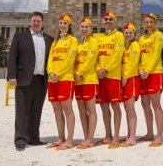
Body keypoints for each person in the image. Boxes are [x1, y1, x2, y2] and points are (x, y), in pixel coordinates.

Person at [7, 11, 54, 151]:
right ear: (30, 22)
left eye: (38, 21)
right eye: (33, 20)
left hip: (41, 80)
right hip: (23, 79)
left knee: (36, 110)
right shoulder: (20, 36)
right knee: (22, 110)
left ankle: (34, 137)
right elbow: (12, 56)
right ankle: (21, 139)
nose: (36, 23)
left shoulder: (49, 39)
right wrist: (12, 76)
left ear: (42, 23)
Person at [46, 15, 78, 150]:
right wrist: (51, 73)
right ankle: (61, 137)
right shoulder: (55, 42)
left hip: (65, 78)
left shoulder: (73, 40)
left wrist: (58, 74)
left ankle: (70, 140)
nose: (62, 25)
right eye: (61, 23)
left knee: (67, 108)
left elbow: (70, 60)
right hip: (52, 79)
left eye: (65, 23)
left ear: (69, 25)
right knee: (56, 109)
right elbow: (50, 60)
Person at [96, 12, 125, 149]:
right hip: (101, 78)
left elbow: (118, 55)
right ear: (102, 22)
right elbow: (95, 56)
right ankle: (108, 135)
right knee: (104, 107)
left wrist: (106, 69)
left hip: (113, 76)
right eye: (106, 19)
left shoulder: (119, 36)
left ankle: (116, 137)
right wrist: (98, 69)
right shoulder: (99, 38)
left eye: (110, 19)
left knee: (115, 106)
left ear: (115, 22)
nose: (108, 21)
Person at [138, 12, 163, 147]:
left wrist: (148, 70)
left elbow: (156, 55)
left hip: (154, 73)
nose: (149, 24)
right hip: (143, 74)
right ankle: (149, 133)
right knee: (144, 104)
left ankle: (159, 136)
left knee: (156, 105)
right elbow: (138, 57)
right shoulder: (142, 38)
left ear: (155, 23)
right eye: (146, 22)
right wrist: (140, 69)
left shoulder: (158, 35)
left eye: (151, 22)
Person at [74, 18, 99, 149]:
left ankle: (90, 139)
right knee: (81, 110)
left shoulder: (94, 42)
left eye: (86, 27)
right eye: (82, 27)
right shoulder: (79, 44)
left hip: (89, 79)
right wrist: (75, 73)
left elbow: (91, 60)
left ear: (91, 28)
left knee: (91, 110)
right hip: (78, 82)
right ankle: (85, 137)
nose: (84, 29)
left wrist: (80, 72)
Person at [119, 23, 141, 147]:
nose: (128, 34)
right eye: (126, 32)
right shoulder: (125, 47)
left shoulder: (135, 45)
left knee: (130, 108)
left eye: (130, 32)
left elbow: (134, 63)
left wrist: (126, 76)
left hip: (131, 79)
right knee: (127, 108)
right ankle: (129, 134)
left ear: (134, 34)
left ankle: (132, 137)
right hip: (125, 79)